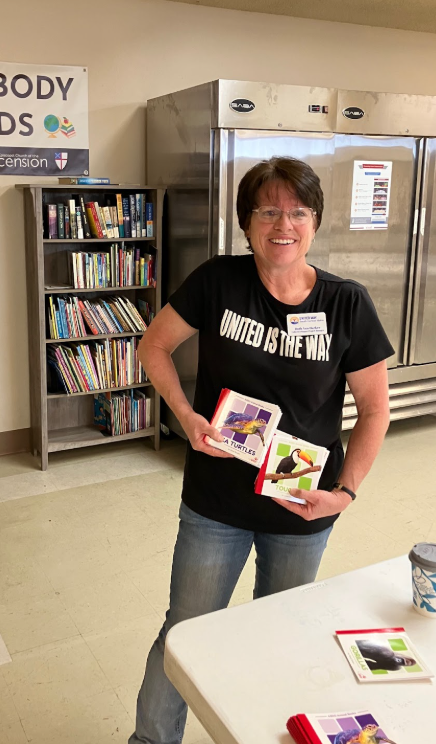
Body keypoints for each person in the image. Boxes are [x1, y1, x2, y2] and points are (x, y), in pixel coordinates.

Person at [129, 156, 393, 744]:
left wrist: (344, 493)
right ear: (247, 223)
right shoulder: (218, 281)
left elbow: (376, 410)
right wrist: (187, 416)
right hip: (214, 503)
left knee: (282, 634)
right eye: (268, 210)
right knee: (185, 632)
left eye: (298, 211)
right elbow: (153, 348)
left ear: (315, 222)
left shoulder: (346, 303)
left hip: (301, 506)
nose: (284, 224)